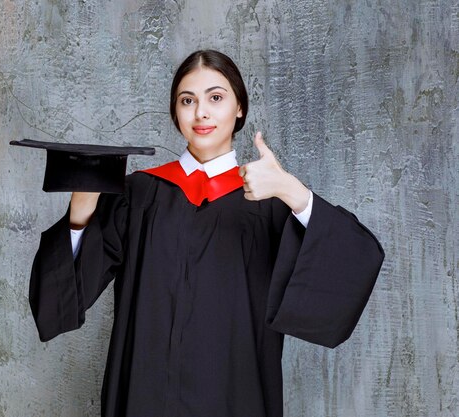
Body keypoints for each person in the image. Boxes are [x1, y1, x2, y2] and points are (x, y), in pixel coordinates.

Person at [29, 50, 384, 417]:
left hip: (235, 393)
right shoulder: (140, 194)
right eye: (188, 100)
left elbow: (354, 262)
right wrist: (81, 211)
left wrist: (293, 191)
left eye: (216, 98)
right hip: (146, 394)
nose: (201, 113)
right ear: (175, 111)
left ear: (239, 108)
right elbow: (64, 297)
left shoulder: (270, 201)